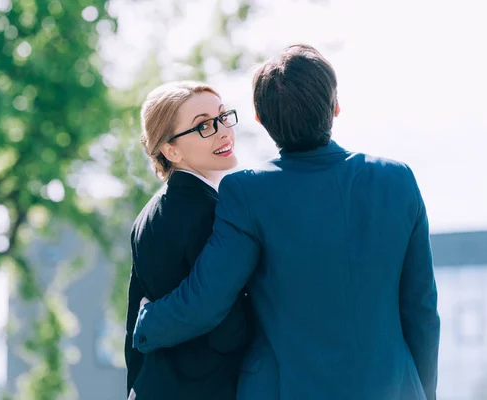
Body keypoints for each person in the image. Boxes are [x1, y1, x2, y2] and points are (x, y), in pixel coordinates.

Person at [132, 44, 441, 400]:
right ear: (335, 105)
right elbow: (421, 311)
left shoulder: (246, 192)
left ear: (261, 120)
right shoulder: (397, 180)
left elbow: (206, 300)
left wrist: (147, 322)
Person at [125, 81, 252, 400]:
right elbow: (226, 326)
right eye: (204, 126)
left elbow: (134, 329)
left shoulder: (146, 217)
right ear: (170, 149)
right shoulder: (213, 213)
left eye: (224, 117)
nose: (223, 131)